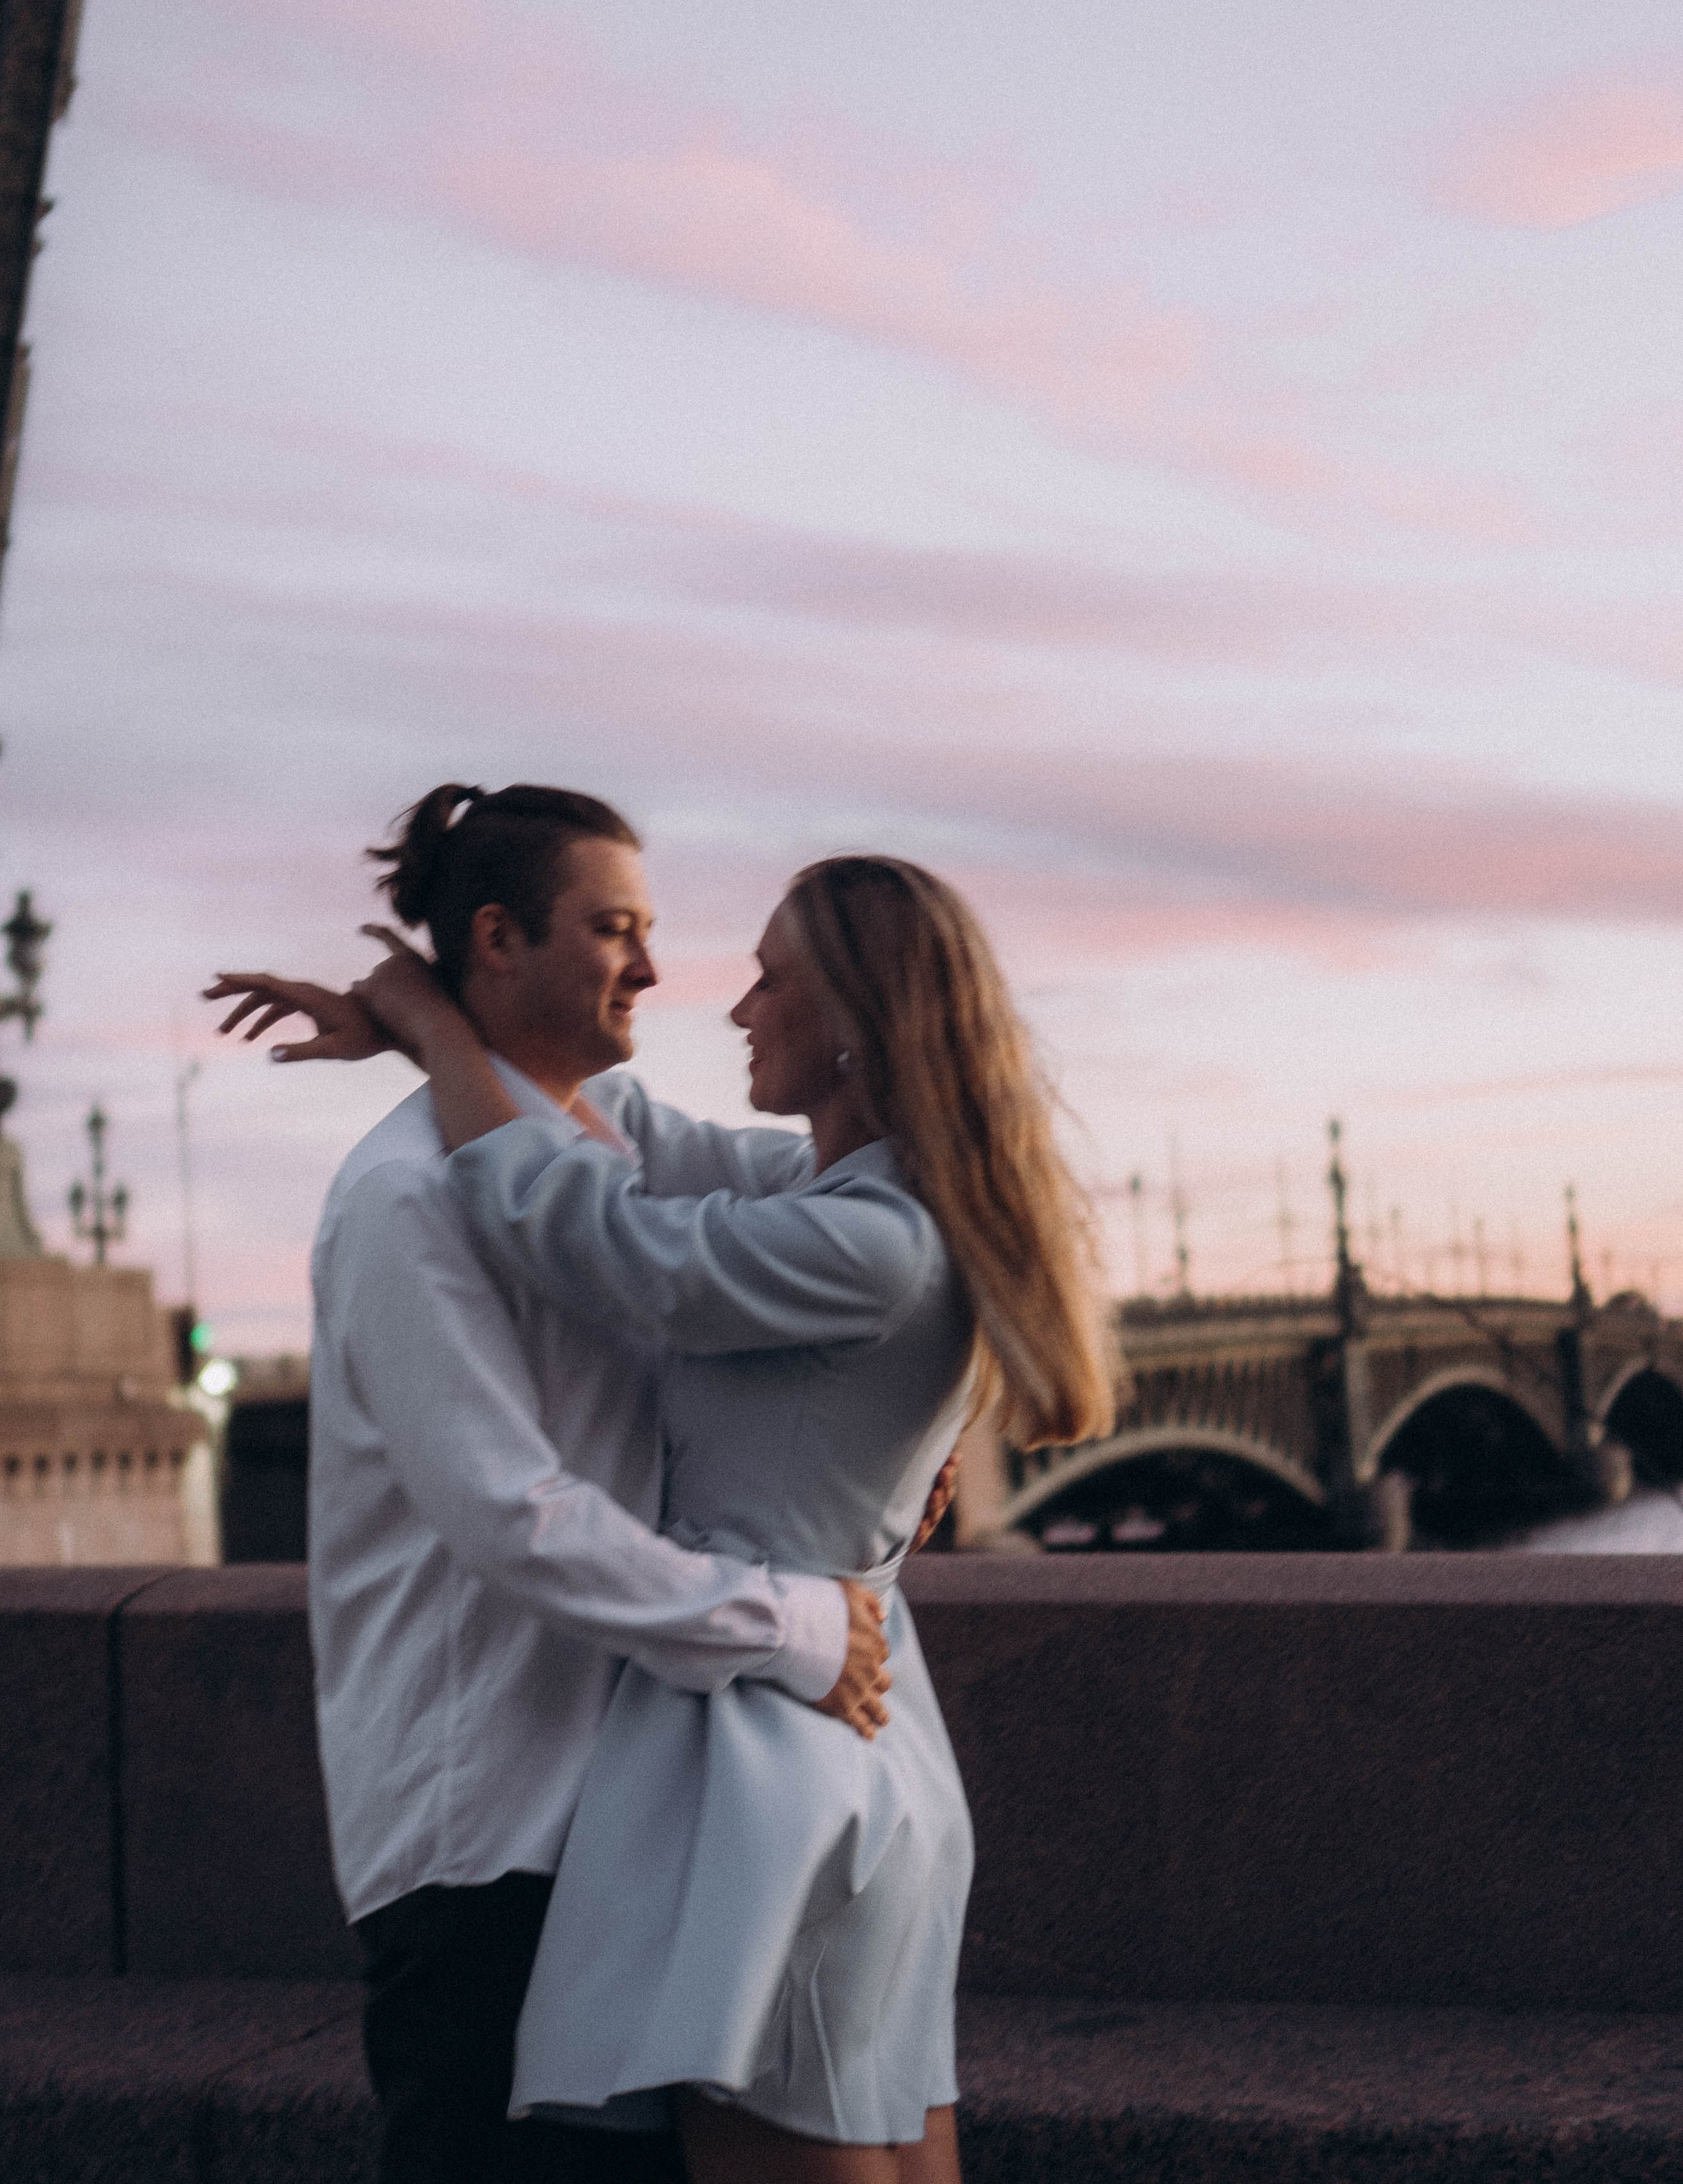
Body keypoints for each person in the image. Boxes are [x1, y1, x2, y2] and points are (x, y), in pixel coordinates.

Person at [340, 849, 1115, 2184]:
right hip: (853, 1734)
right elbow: (640, 1139)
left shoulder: (868, 1241)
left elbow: (572, 1220)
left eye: (771, 980)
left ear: (856, 1027)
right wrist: (474, 1026)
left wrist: (425, 1020)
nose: (739, 1007)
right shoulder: (860, 1200)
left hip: (768, 1763)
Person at [206, 785, 920, 2184]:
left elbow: (870, 1206)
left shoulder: (623, 1137)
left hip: (623, 1816)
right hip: (486, 1848)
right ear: (498, 937)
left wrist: (937, 1385)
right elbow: (509, 1518)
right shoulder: (402, 1199)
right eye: (613, 930)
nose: (655, 970)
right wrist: (800, 1629)